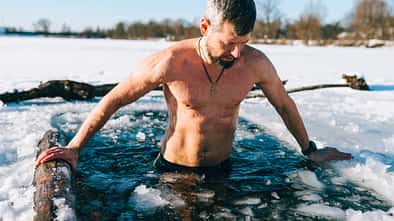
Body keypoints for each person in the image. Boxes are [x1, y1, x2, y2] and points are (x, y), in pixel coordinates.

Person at [35, 0, 352, 173]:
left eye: (244, 43)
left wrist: (309, 150)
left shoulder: (255, 63)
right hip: (172, 172)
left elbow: (283, 105)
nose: (237, 53)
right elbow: (114, 100)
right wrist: (75, 148)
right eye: (229, 43)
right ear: (205, 27)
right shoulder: (170, 62)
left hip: (224, 170)